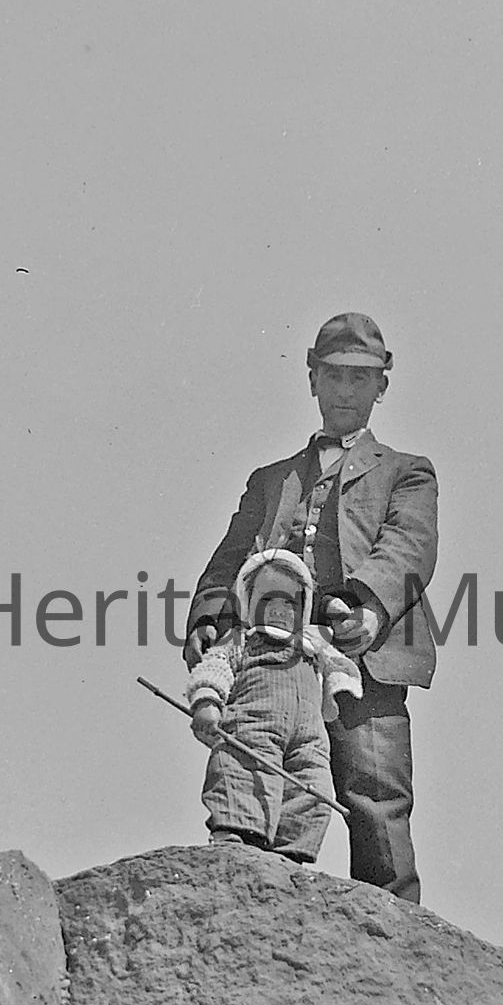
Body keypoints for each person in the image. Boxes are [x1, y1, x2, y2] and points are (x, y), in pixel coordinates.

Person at [184, 312, 439, 903]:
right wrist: (208, 617)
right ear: (312, 380)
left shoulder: (407, 473)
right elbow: (229, 560)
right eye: (334, 375)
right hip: (269, 663)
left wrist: (368, 607)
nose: (346, 390)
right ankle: (255, 911)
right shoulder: (270, 480)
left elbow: (408, 546)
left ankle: (396, 934)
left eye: (360, 377)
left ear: (382, 386)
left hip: (360, 662)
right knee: (252, 776)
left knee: (374, 798)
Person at [182, 549, 362, 865]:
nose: (279, 610)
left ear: (303, 607)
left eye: (289, 603)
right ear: (250, 604)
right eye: (268, 601)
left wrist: (340, 689)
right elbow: (215, 667)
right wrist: (207, 702)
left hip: (308, 739)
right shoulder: (240, 640)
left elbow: (340, 667)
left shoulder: (314, 644)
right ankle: (236, 835)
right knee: (243, 770)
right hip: (253, 726)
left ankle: (290, 854)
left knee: (311, 785)